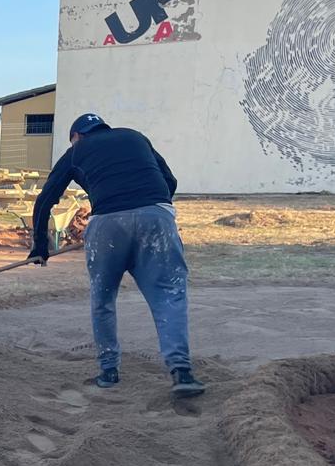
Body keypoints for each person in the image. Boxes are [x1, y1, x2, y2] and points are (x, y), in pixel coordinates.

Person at [29, 113, 205, 397]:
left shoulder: (76, 151)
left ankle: (109, 371)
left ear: (78, 136)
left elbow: (46, 198)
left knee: (103, 296)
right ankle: (181, 371)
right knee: (168, 294)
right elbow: (169, 181)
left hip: (107, 224)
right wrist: (154, 211)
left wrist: (39, 247)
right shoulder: (135, 137)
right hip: (155, 216)